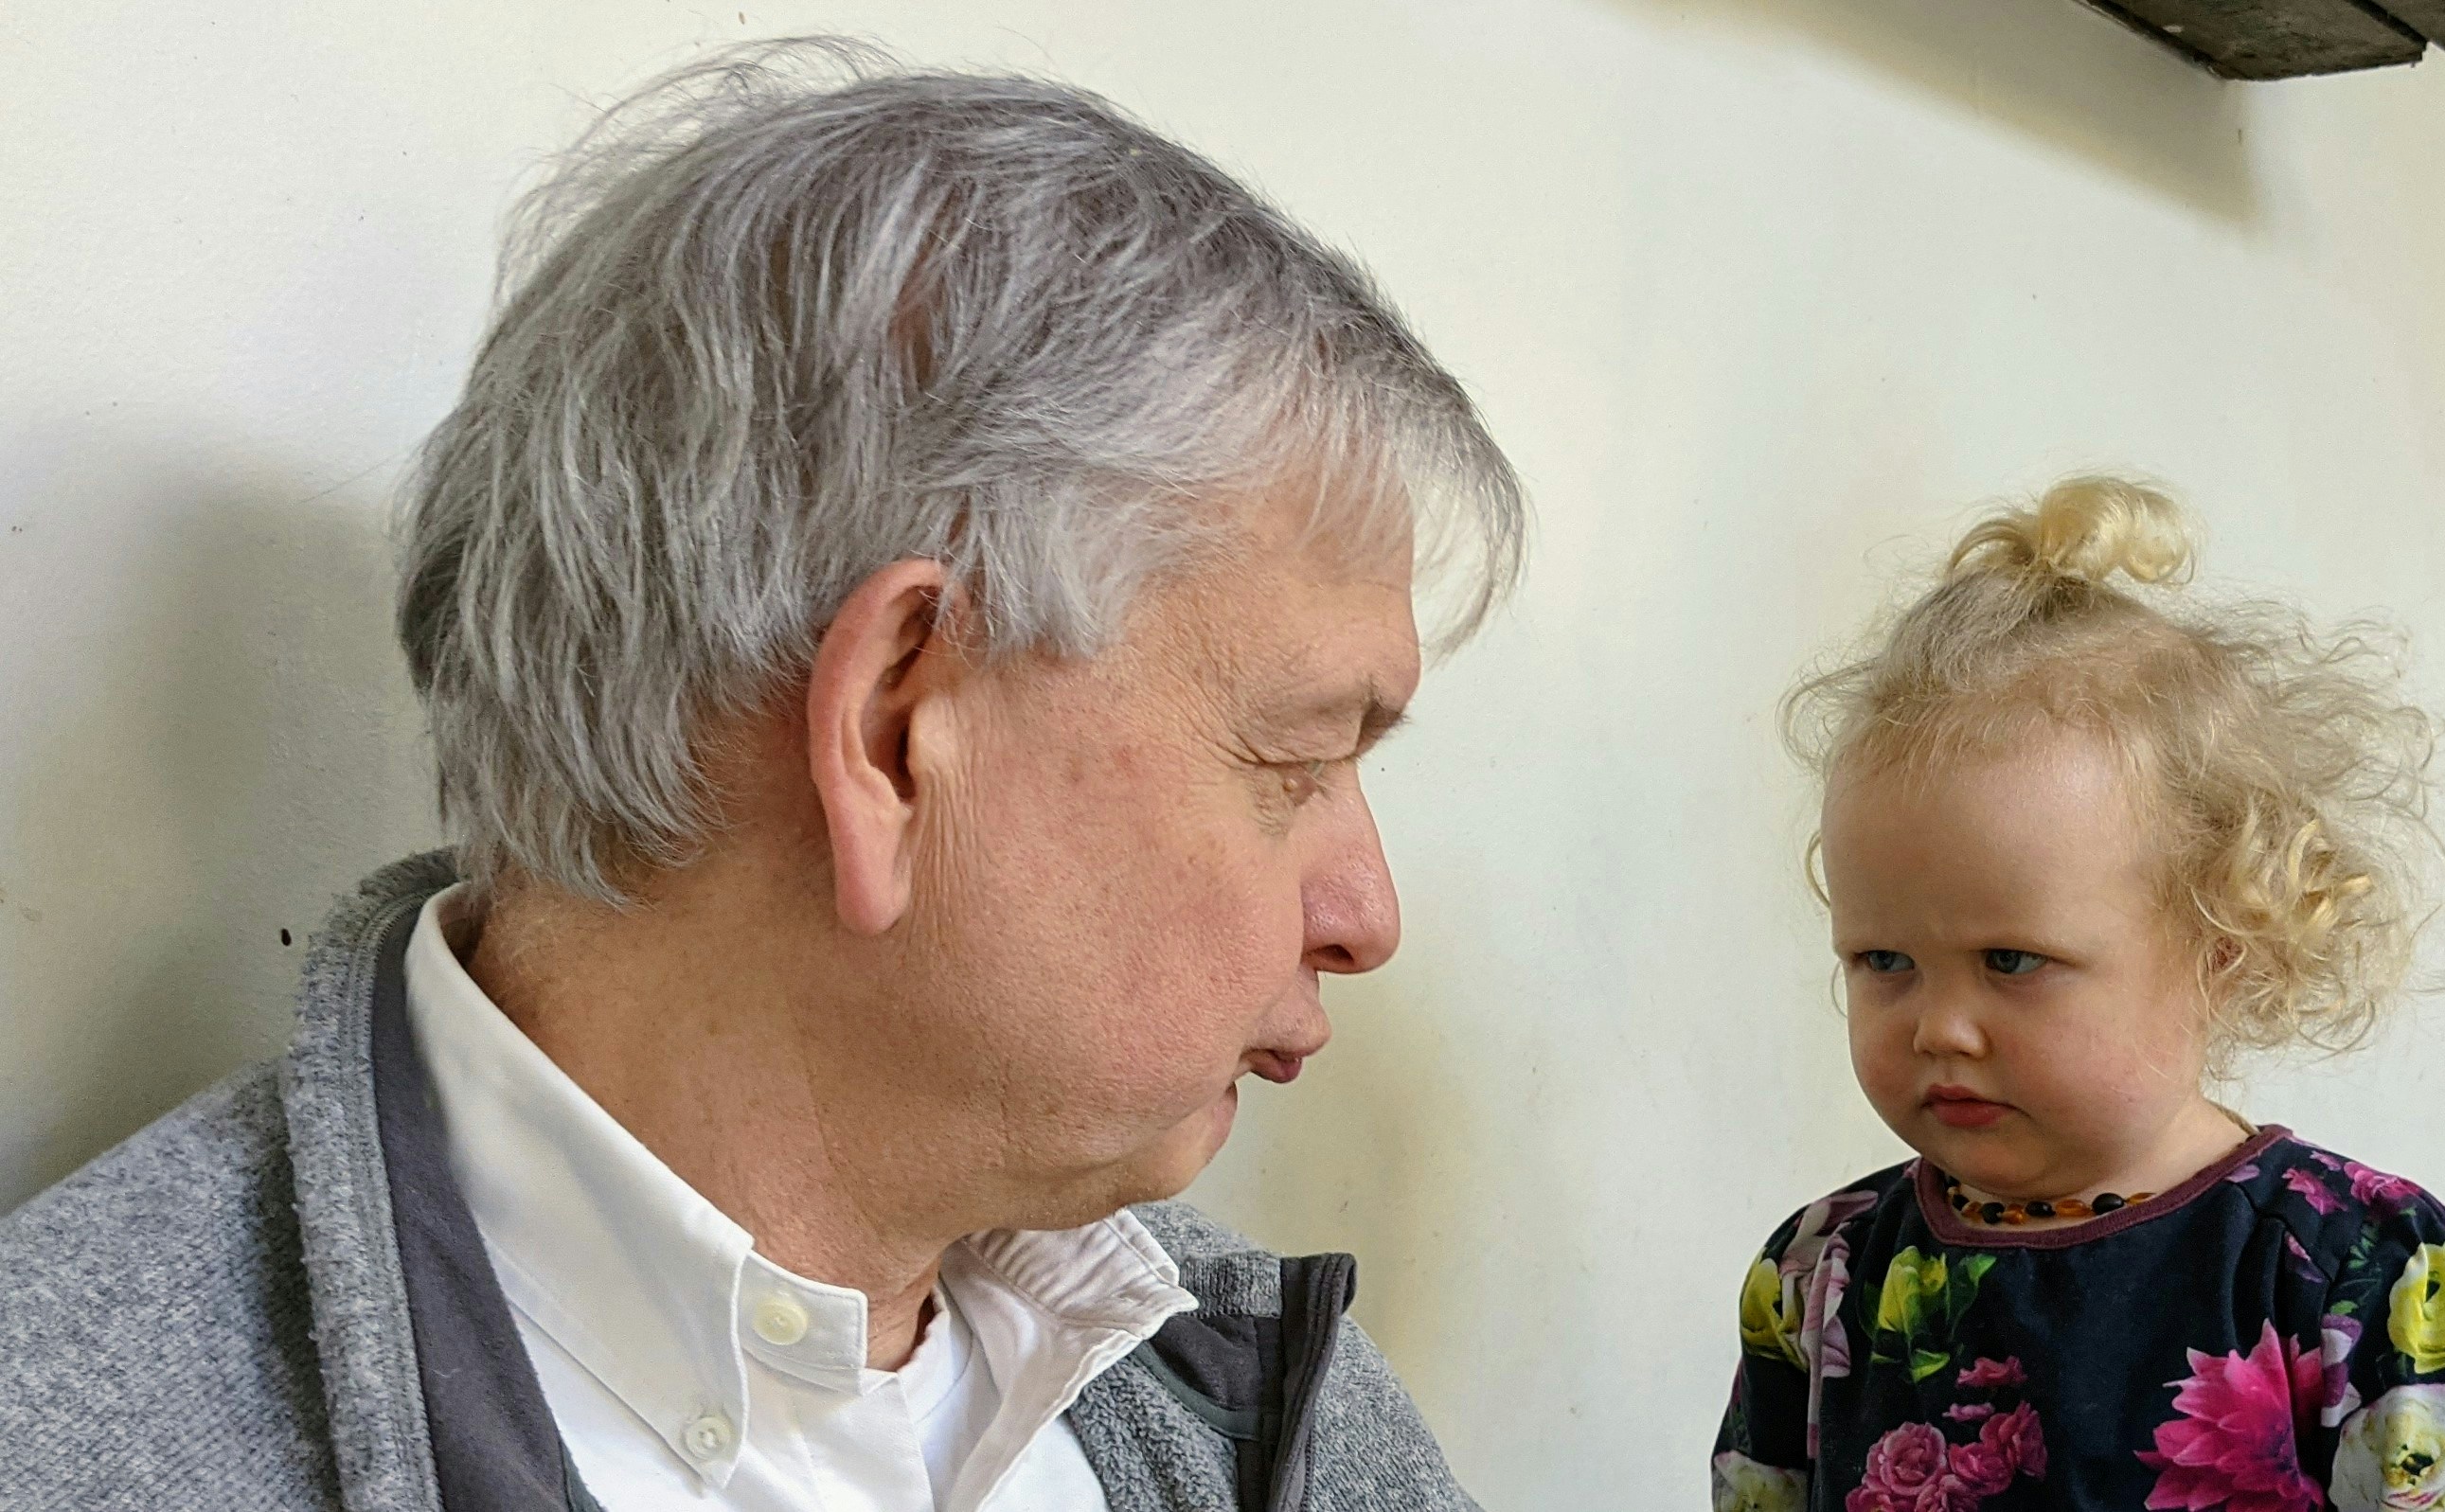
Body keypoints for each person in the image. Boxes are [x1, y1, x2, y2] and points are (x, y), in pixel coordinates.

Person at [0, 38, 1522, 1512]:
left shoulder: (1258, 1393)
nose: (1365, 912)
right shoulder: (71, 1440)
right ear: (886, 734)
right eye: (1297, 757)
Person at [1710, 479, 2445, 1512]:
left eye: (2011, 960)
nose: (1937, 1026)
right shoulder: (1820, 1279)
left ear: (2224, 944)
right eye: (1883, 960)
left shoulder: (2368, 1280)